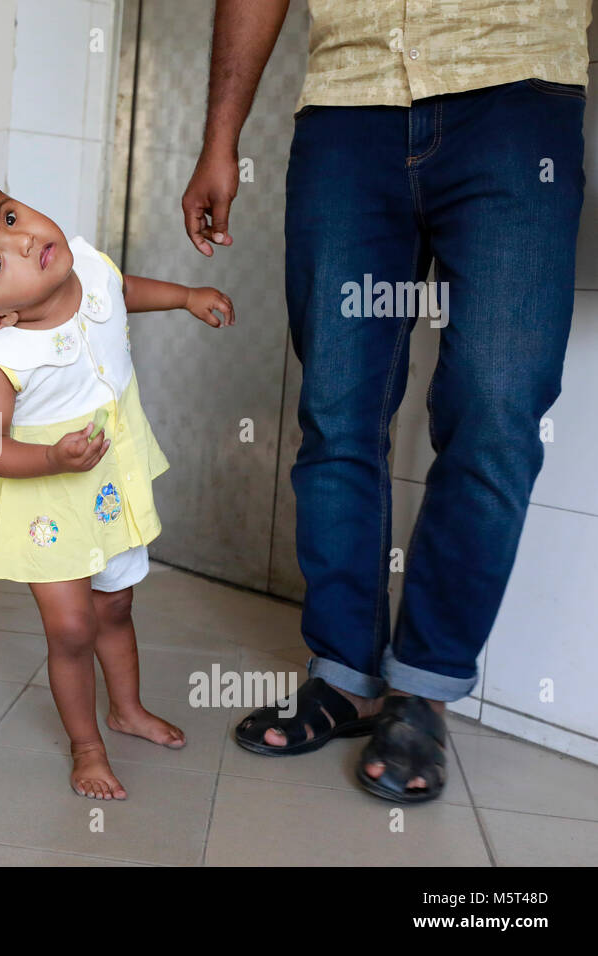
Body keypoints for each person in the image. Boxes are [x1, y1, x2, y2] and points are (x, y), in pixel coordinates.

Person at [182, 0, 591, 802]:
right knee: (336, 412)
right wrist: (220, 138)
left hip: (518, 93)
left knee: (497, 409)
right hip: (347, 107)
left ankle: (422, 688)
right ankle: (344, 676)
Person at [0, 173, 234, 799]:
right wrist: (54, 456)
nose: (25, 241)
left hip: (108, 478)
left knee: (116, 604)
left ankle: (127, 708)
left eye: (8, 216)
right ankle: (86, 747)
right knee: (72, 629)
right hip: (45, 497)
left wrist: (186, 295)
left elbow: (123, 290)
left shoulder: (86, 261)